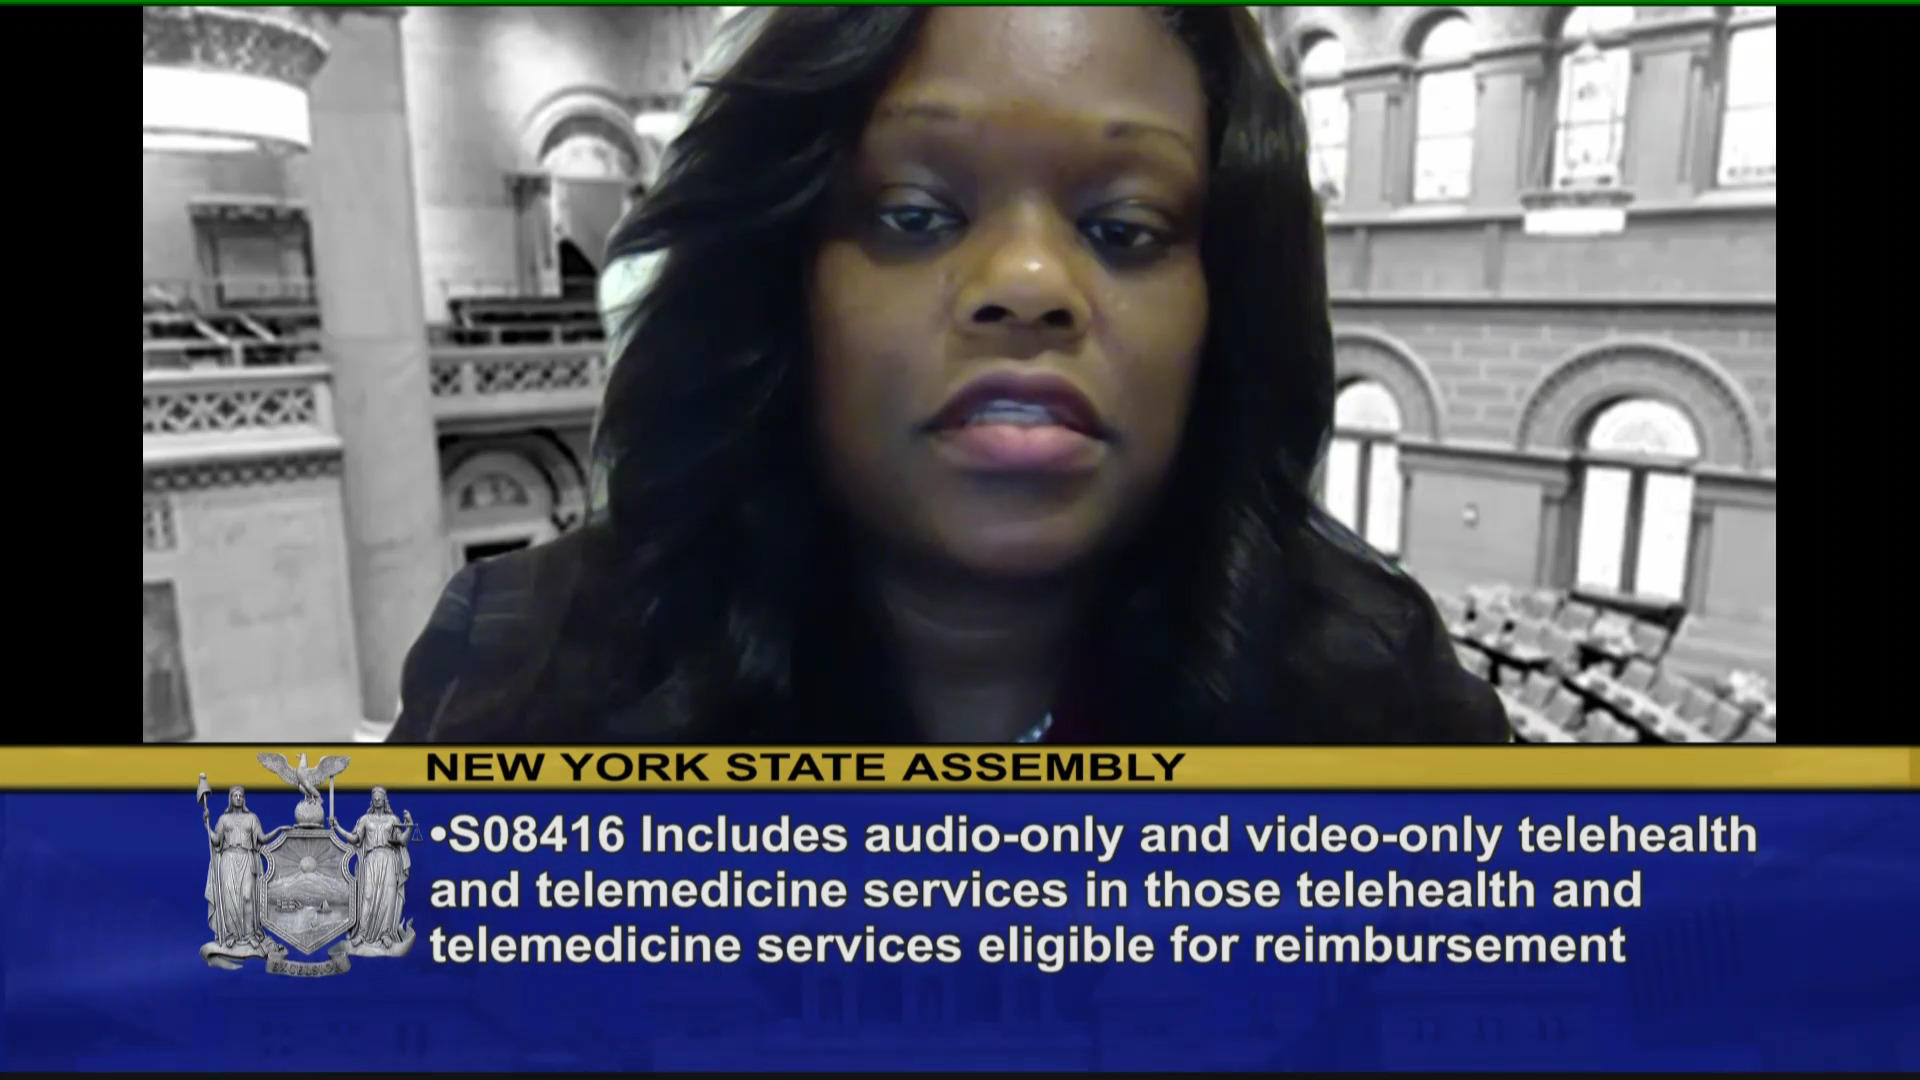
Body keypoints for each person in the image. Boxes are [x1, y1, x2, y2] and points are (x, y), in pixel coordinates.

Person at [391, 6, 1511, 745]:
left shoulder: (1382, 705)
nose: (1027, 284)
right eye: (915, 215)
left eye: (1125, 229)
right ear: (782, 279)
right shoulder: (516, 677)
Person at [331, 786, 414, 952]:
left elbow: (402, 841)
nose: (377, 800)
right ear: (372, 800)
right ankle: (362, 933)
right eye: (374, 797)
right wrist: (337, 827)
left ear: (385, 800)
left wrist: (410, 826)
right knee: (367, 895)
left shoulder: (393, 819)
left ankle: (386, 934)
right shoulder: (365, 819)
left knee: (388, 897)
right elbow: (355, 839)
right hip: (371, 859)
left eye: (379, 797)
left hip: (389, 859)